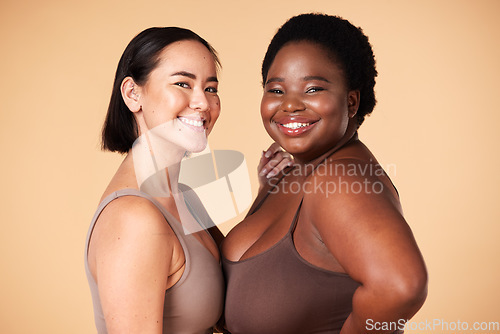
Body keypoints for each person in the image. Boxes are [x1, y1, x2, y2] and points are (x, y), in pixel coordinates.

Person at [221, 13, 428, 334]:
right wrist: (265, 190)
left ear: (352, 101)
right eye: (276, 90)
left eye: (313, 89)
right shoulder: (295, 172)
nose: (289, 105)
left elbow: (402, 287)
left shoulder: (342, 180)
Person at [84, 27, 290, 334]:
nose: (203, 104)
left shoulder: (182, 195)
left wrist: (268, 191)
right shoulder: (133, 220)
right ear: (132, 94)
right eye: (182, 83)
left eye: (210, 88)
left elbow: (238, 280)